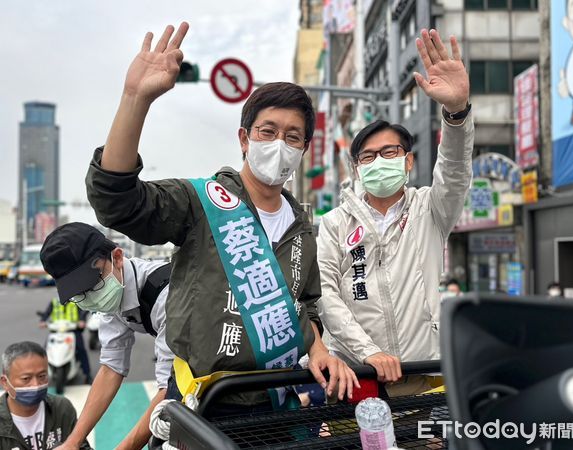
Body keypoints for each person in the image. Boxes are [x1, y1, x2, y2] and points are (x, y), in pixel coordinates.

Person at [84, 22, 357, 412]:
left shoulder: (301, 228)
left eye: (293, 137)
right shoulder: (202, 202)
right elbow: (118, 202)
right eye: (268, 131)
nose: (280, 144)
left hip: (276, 400)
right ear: (244, 140)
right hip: (205, 404)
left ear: (303, 149)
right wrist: (135, 99)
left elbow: (307, 305)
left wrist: (317, 348)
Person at [317, 28, 473, 396]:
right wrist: (369, 353)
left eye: (389, 153)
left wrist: (456, 113)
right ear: (357, 168)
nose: (378, 162)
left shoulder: (431, 210)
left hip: (426, 375)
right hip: (356, 380)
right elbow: (325, 294)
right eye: (368, 157)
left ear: (408, 161)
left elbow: (454, 168)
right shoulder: (335, 223)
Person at [40, 222, 173, 450]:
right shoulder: (112, 296)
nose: (90, 298)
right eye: (78, 294)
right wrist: (72, 442)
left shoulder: (168, 295)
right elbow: (111, 367)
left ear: (118, 257)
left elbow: (170, 388)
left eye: (92, 285)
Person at [0, 341, 91, 449]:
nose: (36, 384)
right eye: (26, 378)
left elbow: (82, 446)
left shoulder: (62, 408)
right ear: (5, 382)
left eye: (42, 376)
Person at [38, 296, 93, 386]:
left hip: (72, 331)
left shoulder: (76, 302)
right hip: (56, 331)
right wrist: (42, 321)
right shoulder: (54, 301)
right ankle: (41, 375)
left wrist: (82, 321)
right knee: (44, 352)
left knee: (81, 350)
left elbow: (82, 313)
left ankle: (87, 375)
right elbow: (47, 313)